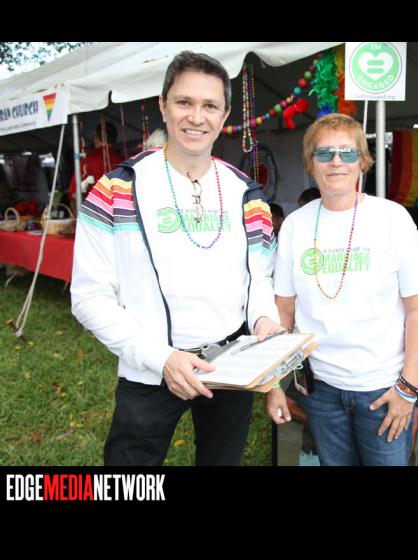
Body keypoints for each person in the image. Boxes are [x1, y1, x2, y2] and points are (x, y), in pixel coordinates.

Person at [71, 51, 281, 466]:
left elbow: (260, 279)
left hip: (230, 367)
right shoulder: (115, 190)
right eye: (184, 102)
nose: (196, 117)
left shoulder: (248, 194)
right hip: (151, 366)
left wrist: (263, 321)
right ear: (163, 105)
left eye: (210, 106)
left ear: (225, 115)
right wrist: (162, 358)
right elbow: (89, 297)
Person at [266, 113, 418, 466]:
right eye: (324, 153)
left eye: (347, 153)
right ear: (310, 163)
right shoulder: (295, 226)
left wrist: (408, 388)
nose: (336, 162)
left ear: (363, 161)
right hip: (320, 388)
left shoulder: (392, 218)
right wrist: (274, 384)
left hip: (383, 386)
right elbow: (283, 312)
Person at [67, 121, 125, 214]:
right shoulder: (124, 161)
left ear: (97, 137)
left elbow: (73, 195)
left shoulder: (86, 161)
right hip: (122, 214)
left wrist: (76, 218)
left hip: (95, 216)